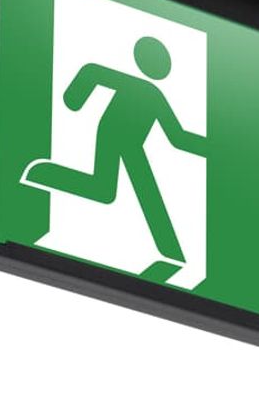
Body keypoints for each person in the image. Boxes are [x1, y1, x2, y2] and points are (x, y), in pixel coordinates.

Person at [26, 36, 205, 263]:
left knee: (104, 190)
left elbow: (177, 137)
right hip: (112, 135)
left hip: (132, 143)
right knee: (121, 189)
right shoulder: (139, 88)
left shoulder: (154, 95)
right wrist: (75, 97)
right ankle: (171, 250)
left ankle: (43, 174)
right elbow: (93, 72)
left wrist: (211, 149)